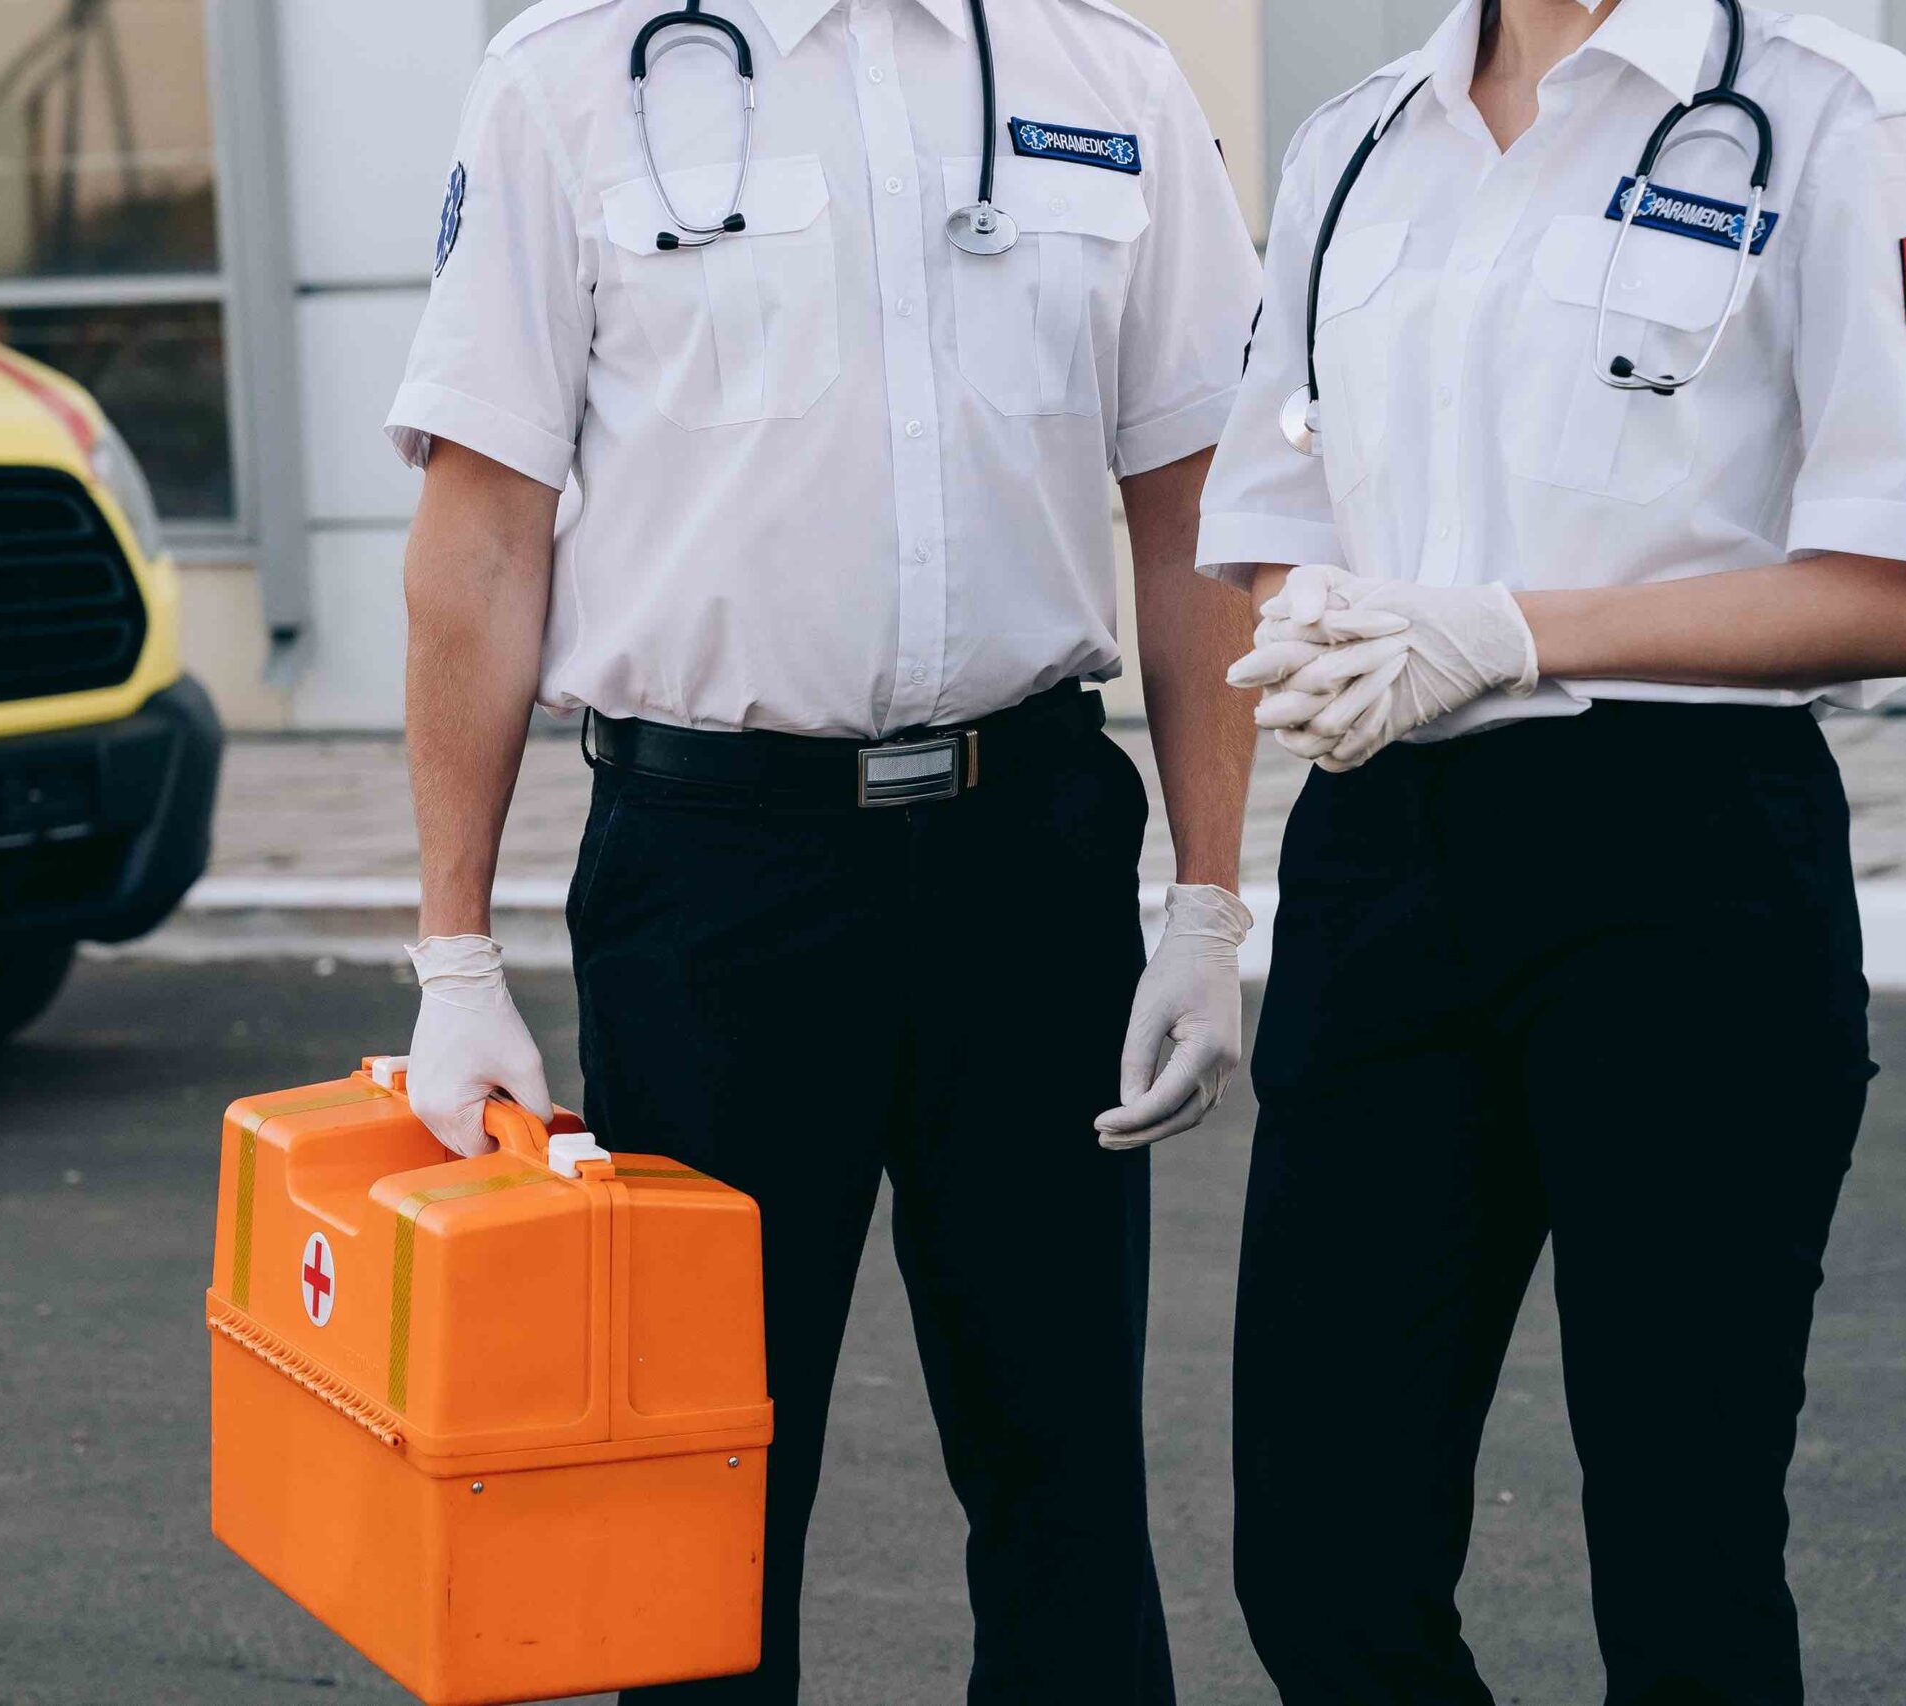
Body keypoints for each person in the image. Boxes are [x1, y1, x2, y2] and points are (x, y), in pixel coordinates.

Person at [384, 0, 1263, 1696]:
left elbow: (1199, 508)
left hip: (1033, 864)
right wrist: (454, 955)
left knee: (1062, 1468)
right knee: (703, 1500)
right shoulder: (569, 80)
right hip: (713, 882)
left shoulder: (1107, 79)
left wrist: (1211, 905)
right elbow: (480, 540)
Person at [1200, 0, 1906, 1698]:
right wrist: (1332, 627)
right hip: (1385, 862)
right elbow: (1272, 526)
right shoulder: (1356, 142)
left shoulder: (1830, 112)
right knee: (1320, 1554)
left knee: (1683, 1555)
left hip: (1688, 856)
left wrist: (1510, 626)